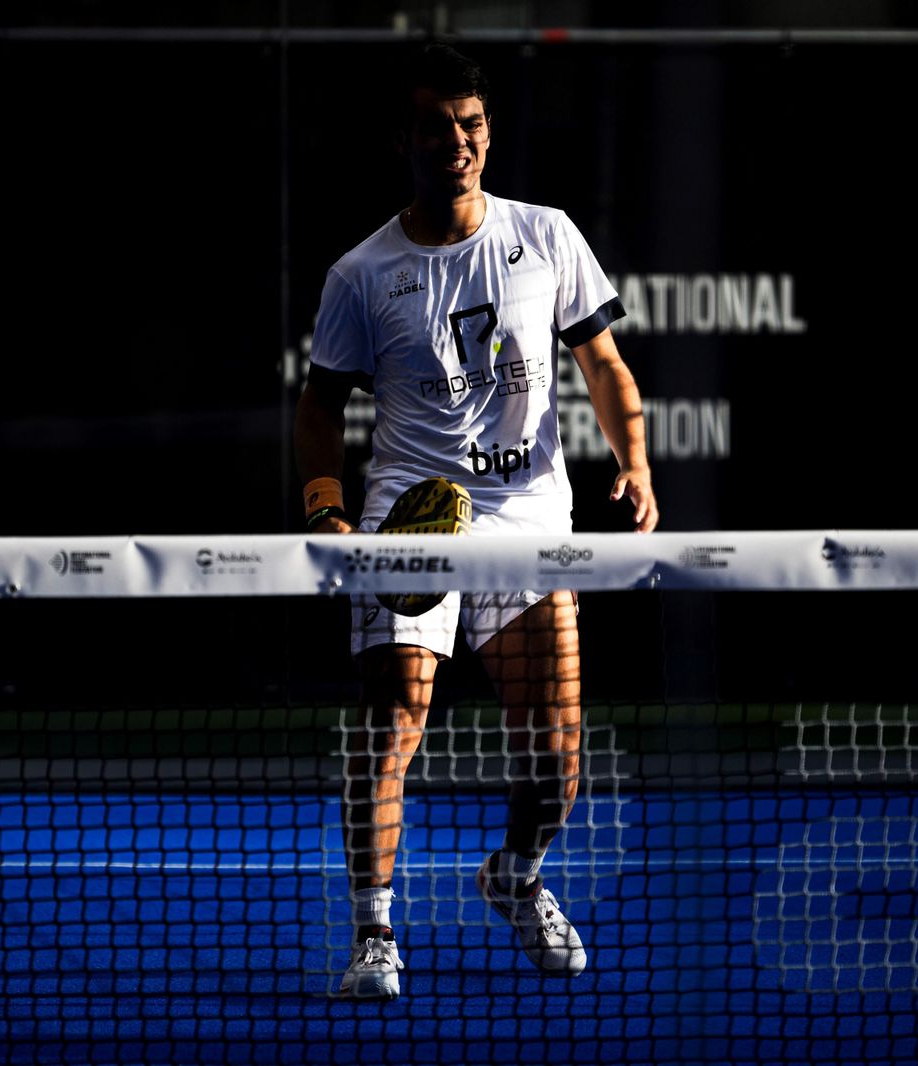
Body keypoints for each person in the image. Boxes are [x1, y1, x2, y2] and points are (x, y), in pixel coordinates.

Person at [293, 43, 657, 1000]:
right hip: (412, 515)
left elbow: (607, 367)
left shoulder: (547, 234)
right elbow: (320, 406)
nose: (458, 142)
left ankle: (516, 875)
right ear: (403, 140)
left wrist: (635, 462)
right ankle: (375, 935)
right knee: (394, 720)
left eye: (473, 125)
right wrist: (325, 508)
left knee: (559, 760)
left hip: (529, 516)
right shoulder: (361, 274)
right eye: (438, 127)